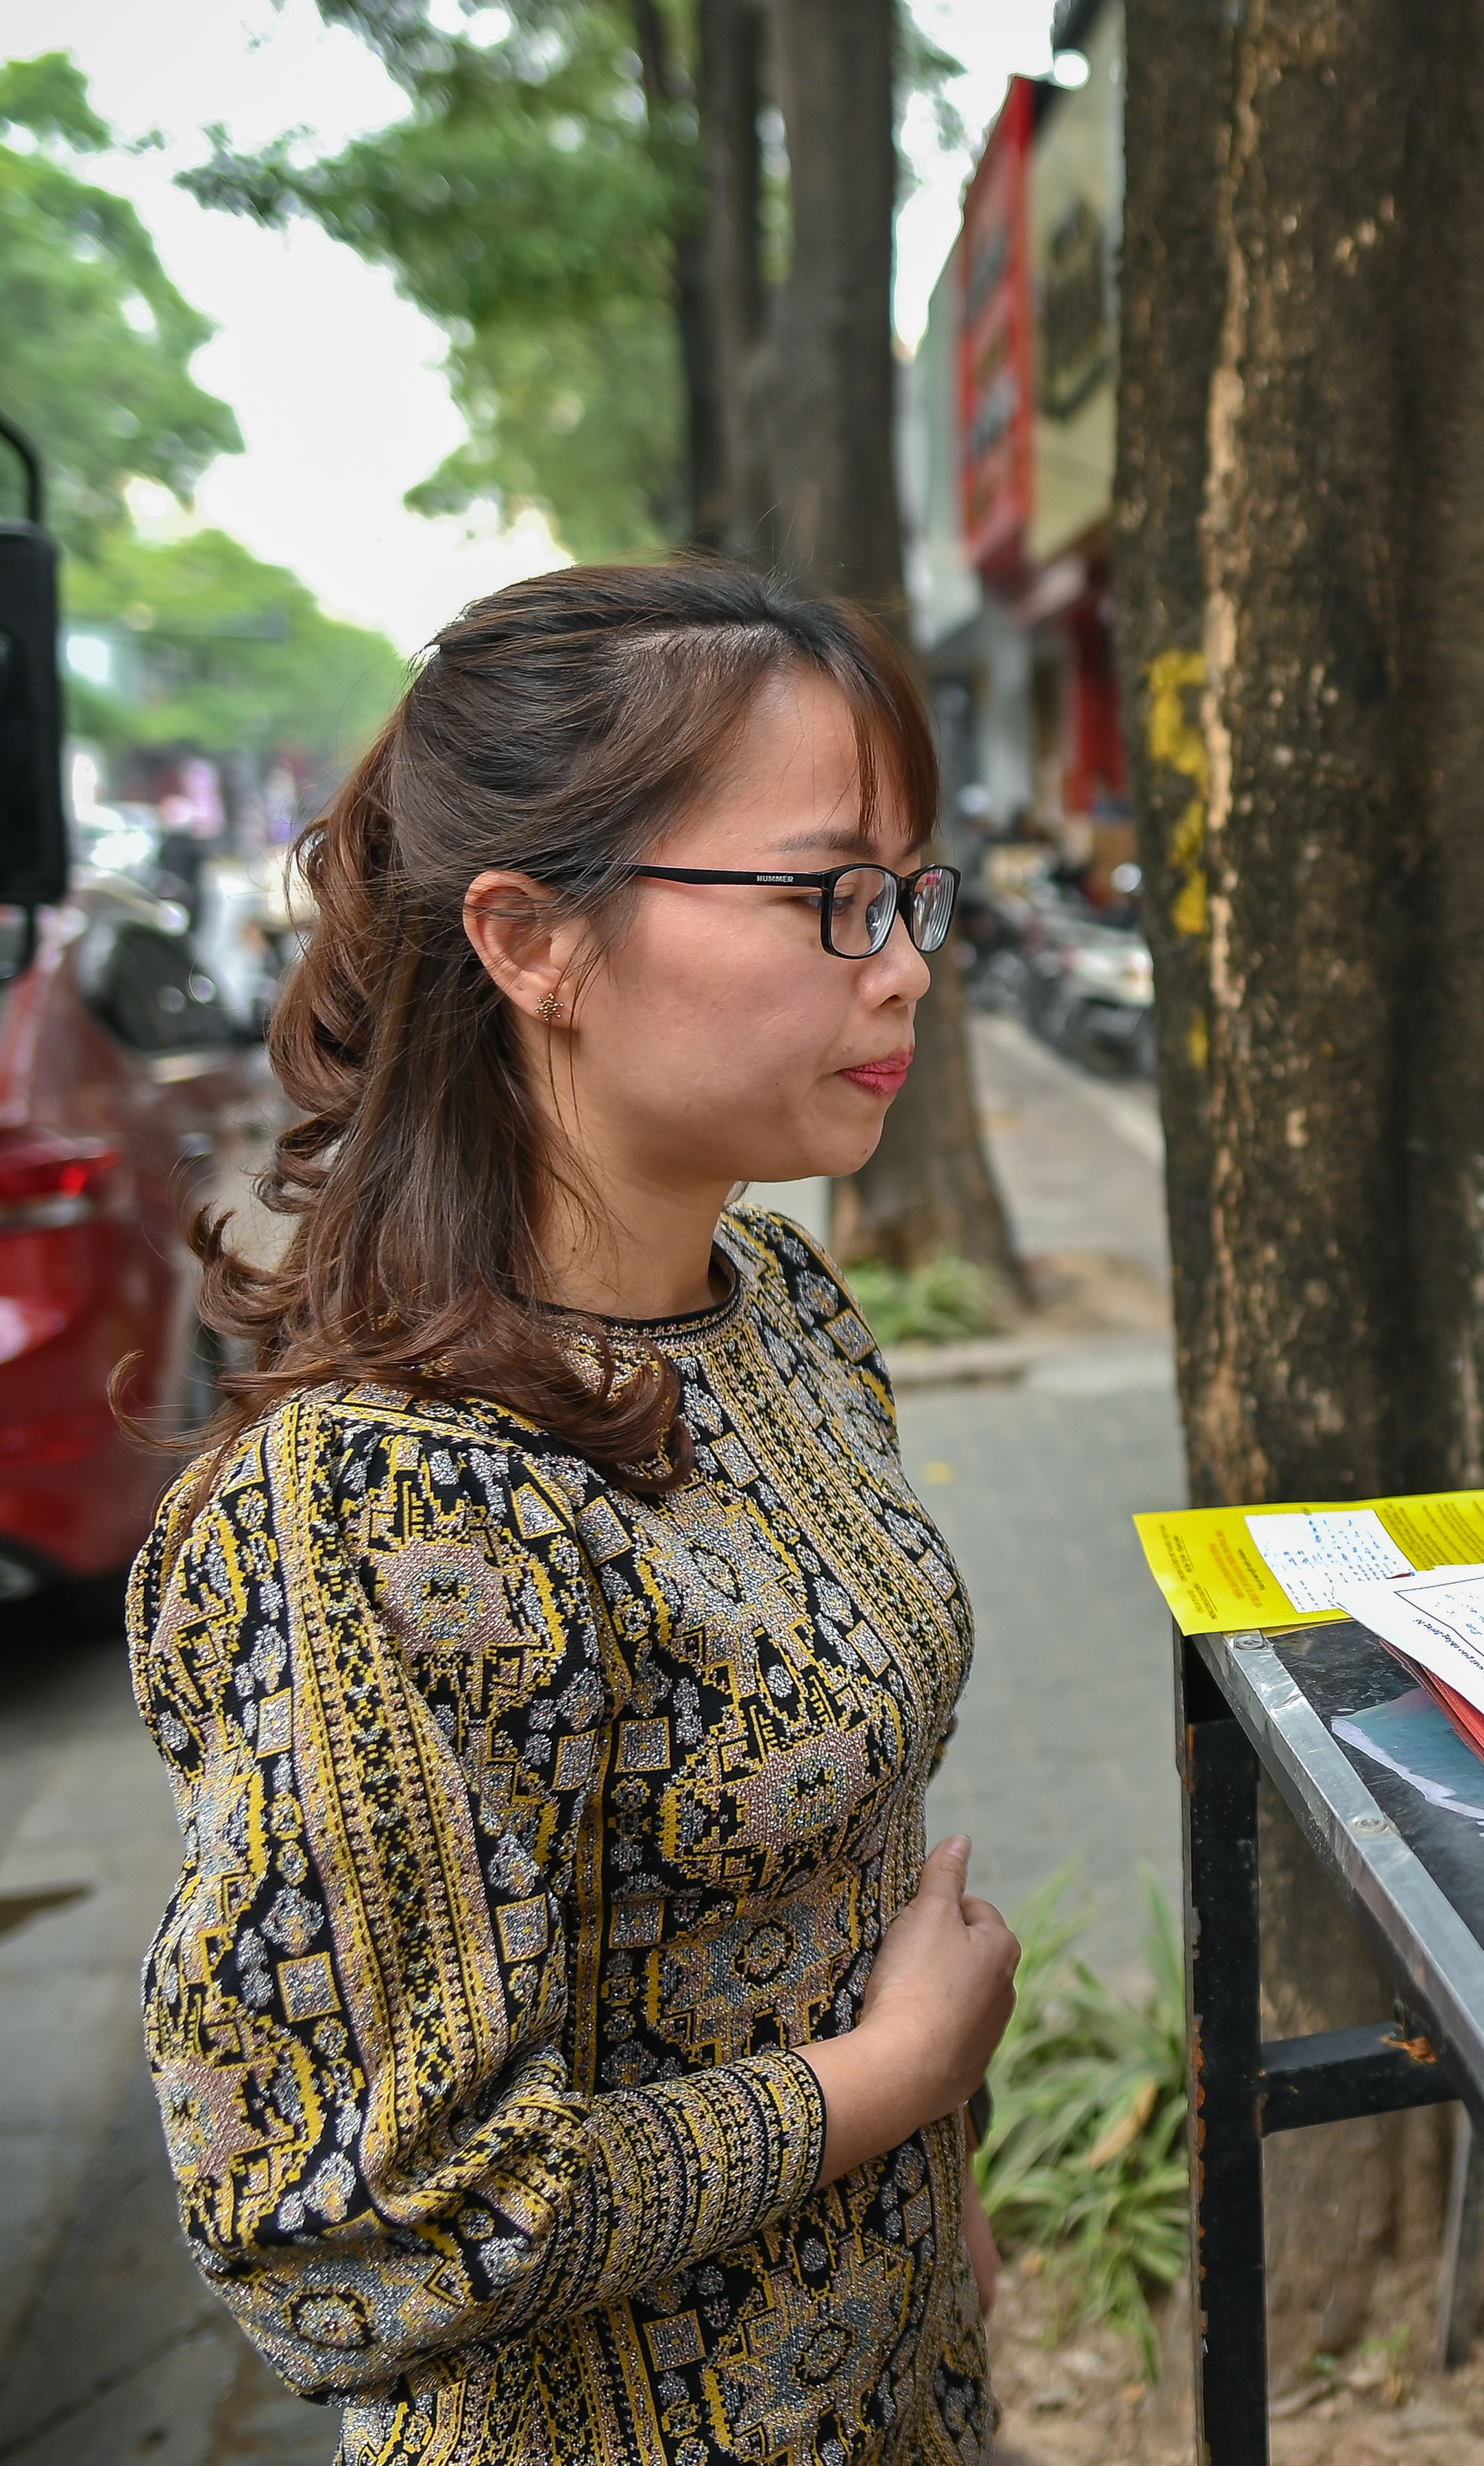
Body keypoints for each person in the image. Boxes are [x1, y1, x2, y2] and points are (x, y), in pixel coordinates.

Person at [132, 562, 1018, 2459]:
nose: (906, 963)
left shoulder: (774, 1308)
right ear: (534, 940)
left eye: (912, 894)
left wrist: (930, 2199)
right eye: (830, 895)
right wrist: (890, 2078)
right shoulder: (370, 1502)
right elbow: (349, 2230)